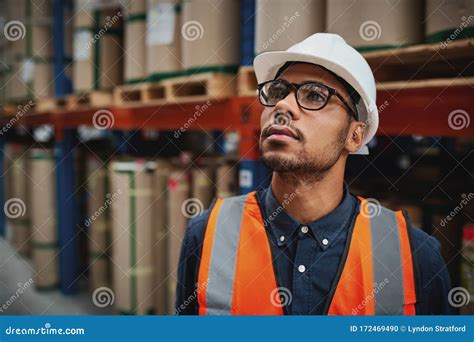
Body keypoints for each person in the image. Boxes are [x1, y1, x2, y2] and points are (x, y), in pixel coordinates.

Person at [175, 33, 452, 315]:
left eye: (315, 95)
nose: (282, 105)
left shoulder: (414, 257)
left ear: (355, 136)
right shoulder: (207, 235)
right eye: (277, 91)